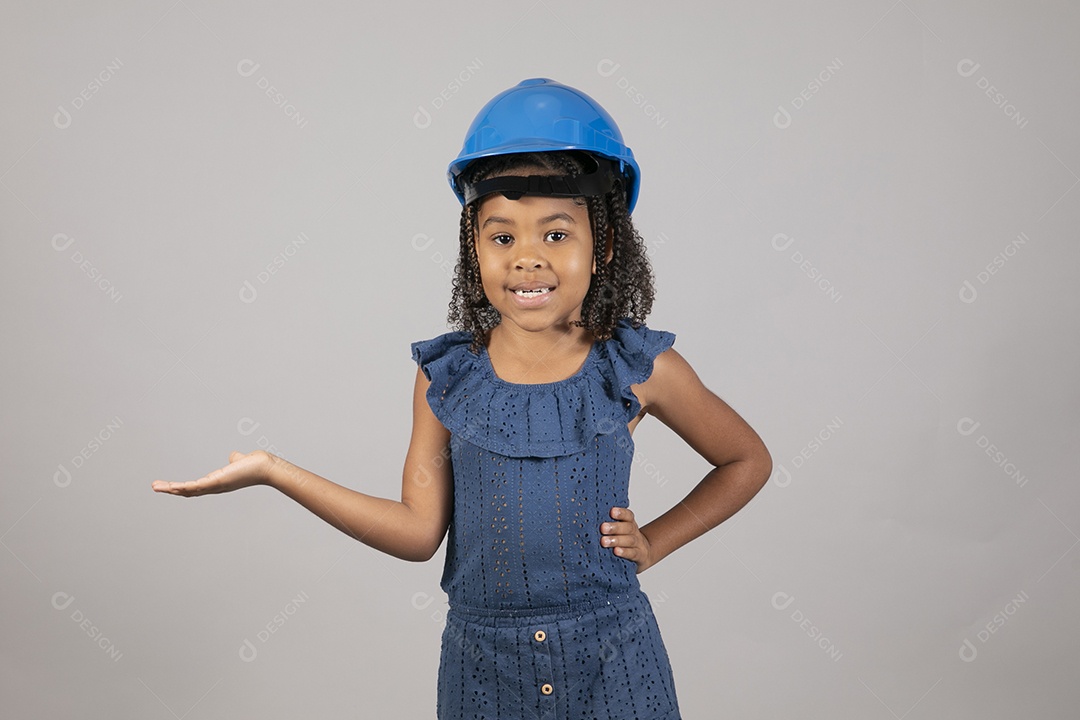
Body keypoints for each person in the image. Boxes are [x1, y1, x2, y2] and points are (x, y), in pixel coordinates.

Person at [152, 77, 772, 720]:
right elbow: (419, 533)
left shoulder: (637, 368)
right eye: (502, 237)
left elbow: (745, 460)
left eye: (555, 235)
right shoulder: (445, 378)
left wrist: (656, 543)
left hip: (613, 658)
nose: (526, 259)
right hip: (484, 672)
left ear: (605, 243)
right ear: (472, 247)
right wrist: (272, 471)